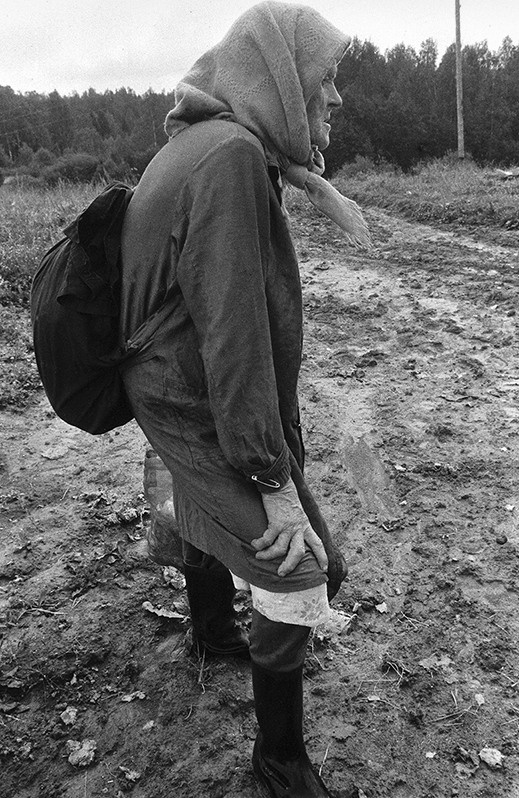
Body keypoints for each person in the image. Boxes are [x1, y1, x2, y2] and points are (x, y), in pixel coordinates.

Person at [119, 3, 369, 795]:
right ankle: (280, 762)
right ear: (280, 80)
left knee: (199, 504)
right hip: (188, 388)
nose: (335, 100)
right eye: (324, 81)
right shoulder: (228, 160)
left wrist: (309, 183)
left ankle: (213, 632)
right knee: (298, 569)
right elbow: (236, 341)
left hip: (159, 374)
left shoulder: (210, 137)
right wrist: (272, 482)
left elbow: (249, 151)